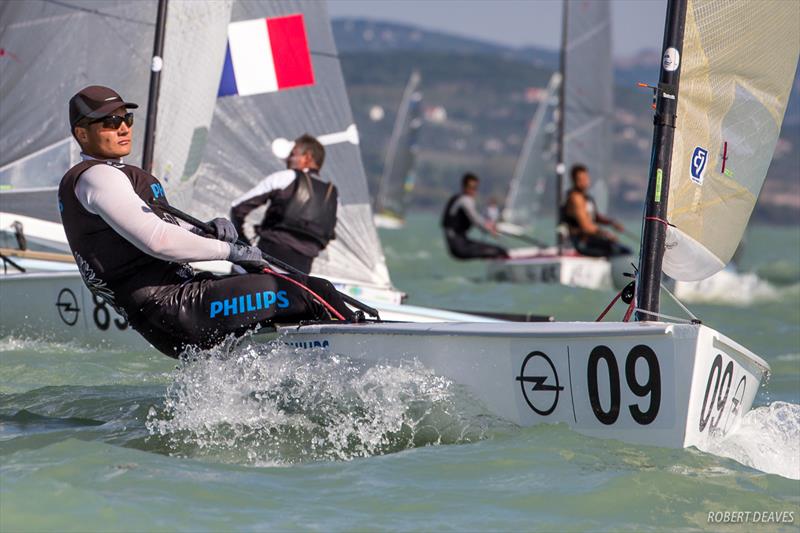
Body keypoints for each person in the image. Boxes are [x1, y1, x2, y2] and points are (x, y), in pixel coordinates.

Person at [58, 85, 354, 358]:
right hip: (174, 306)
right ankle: (361, 346)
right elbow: (158, 239)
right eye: (110, 122)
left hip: (174, 310)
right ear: (82, 133)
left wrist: (207, 230)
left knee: (294, 304)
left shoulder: (117, 176)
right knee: (313, 292)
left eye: (127, 119)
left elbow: (167, 226)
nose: (123, 127)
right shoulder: (97, 176)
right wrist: (230, 252)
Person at [229, 135, 338, 274]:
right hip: (300, 275)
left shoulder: (287, 177)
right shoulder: (333, 195)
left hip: (267, 259)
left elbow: (237, 207)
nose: (287, 159)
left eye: (292, 154)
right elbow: (327, 234)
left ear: (307, 157)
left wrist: (243, 243)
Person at [560, 164, 631, 257]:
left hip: (590, 238)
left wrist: (612, 223)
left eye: (585, 178)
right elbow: (585, 226)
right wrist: (605, 233)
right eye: (580, 179)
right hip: (580, 242)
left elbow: (596, 217)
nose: (584, 182)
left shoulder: (587, 198)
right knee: (619, 250)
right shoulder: (575, 198)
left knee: (623, 249)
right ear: (574, 180)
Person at [441, 173, 509, 260]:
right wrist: (491, 229)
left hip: (462, 242)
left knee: (498, 250)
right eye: (471, 187)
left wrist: (490, 226)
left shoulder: (458, 199)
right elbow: (476, 220)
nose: (473, 191)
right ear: (464, 186)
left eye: (475, 188)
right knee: (500, 251)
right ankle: (504, 269)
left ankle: (500, 265)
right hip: (459, 247)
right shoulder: (465, 200)